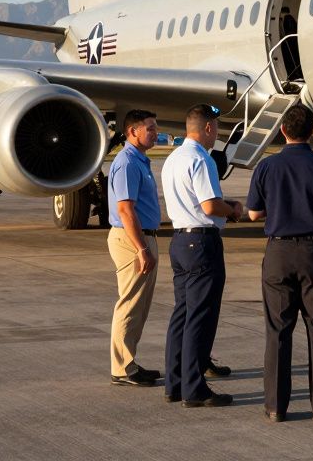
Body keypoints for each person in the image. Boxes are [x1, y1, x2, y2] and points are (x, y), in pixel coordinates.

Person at [244, 104, 313, 422]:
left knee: (278, 331)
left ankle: (276, 406)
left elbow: (253, 213)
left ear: (282, 130)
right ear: (312, 132)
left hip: (278, 253)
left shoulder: (266, 167)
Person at [161, 103, 245, 407]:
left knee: (181, 313)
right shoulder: (201, 159)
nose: (217, 134)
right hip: (201, 241)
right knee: (200, 316)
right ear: (208, 128)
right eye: (217, 128)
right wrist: (233, 210)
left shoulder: (173, 158)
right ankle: (195, 389)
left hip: (180, 241)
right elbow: (210, 206)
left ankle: (175, 383)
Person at [107, 109, 163, 388]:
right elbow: (125, 210)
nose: (155, 133)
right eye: (150, 128)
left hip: (143, 237)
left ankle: (129, 360)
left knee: (139, 305)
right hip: (132, 239)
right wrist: (141, 248)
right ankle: (122, 367)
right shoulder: (128, 162)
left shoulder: (140, 160)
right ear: (133, 132)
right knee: (129, 303)